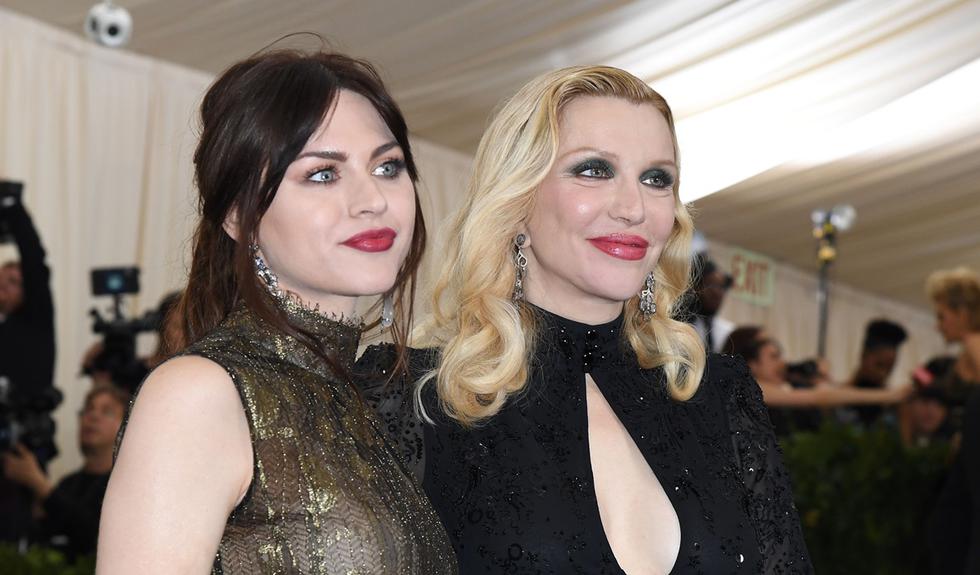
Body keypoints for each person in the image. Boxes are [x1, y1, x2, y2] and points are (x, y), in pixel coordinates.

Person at [359, 66, 812, 573]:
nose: (633, 208)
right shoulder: (410, 395)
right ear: (518, 199)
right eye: (594, 170)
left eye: (656, 179)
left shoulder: (720, 395)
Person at [97, 50, 456, 574]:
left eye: (388, 166)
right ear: (237, 215)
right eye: (323, 174)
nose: (372, 199)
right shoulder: (198, 393)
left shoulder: (371, 398)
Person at [2, 385, 128, 559]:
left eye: (107, 412)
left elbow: (94, 537)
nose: (93, 416)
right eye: (88, 409)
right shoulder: (68, 484)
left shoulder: (124, 487)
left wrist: (40, 485)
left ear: (125, 429)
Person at [0, 186, 58, 544]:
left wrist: (13, 209)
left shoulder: (36, 321)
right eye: (3, 280)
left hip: (23, 449)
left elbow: (35, 265)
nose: (6, 287)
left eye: (15, 282)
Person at [723, 326, 908, 432]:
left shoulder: (778, 389)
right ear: (751, 363)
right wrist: (890, 395)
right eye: (774, 356)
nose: (783, 364)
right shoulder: (744, 388)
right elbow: (818, 397)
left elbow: (824, 394)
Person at [925, 267, 980, 432]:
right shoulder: (966, 351)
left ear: (962, 314)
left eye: (941, 317)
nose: (938, 326)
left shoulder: (974, 345)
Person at [846, 319, 908, 427]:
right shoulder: (835, 399)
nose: (883, 374)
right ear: (863, 355)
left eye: (890, 368)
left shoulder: (892, 407)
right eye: (879, 365)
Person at [684, 254, 735, 353]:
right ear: (695, 286)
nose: (717, 293)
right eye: (712, 285)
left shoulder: (727, 332)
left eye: (722, 287)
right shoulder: (680, 325)